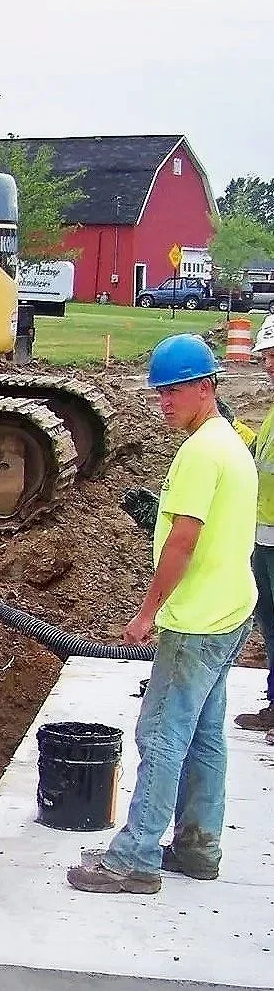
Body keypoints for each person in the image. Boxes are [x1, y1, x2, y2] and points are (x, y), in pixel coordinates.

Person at [69, 334, 258, 893]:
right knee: (204, 735)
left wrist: (148, 613)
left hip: (197, 620)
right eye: (160, 393)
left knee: (161, 734)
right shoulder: (229, 443)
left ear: (206, 387)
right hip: (230, 608)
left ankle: (136, 857)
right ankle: (199, 847)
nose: (164, 403)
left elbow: (182, 540)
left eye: (174, 392)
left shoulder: (200, 453)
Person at [231, 312, 274, 736]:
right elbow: (260, 454)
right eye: (265, 356)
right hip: (264, 538)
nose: (266, 364)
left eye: (272, 356)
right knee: (271, 625)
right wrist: (232, 427)